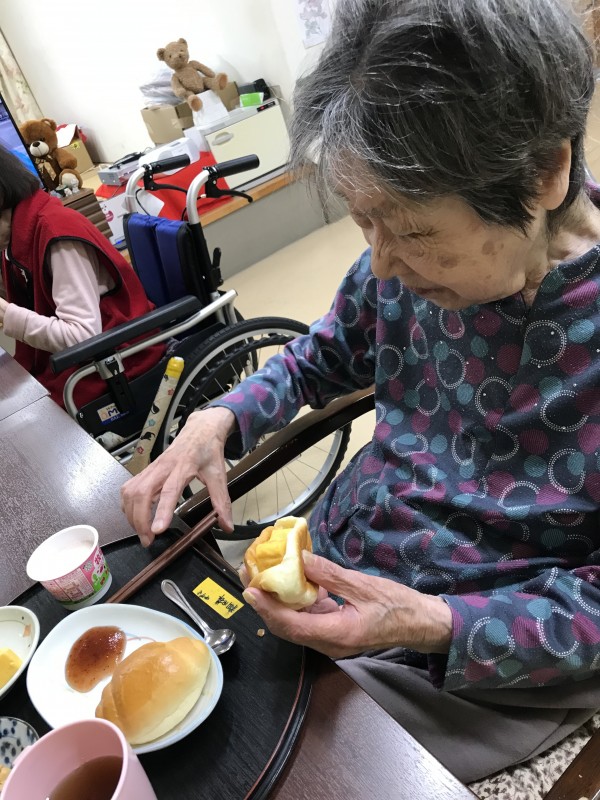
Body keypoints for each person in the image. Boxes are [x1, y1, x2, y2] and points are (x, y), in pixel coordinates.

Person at [121, 0, 600, 784]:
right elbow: (321, 357)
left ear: (545, 172)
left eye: (412, 232)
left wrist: (427, 621)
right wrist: (221, 418)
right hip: (344, 558)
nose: (380, 265)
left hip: (475, 653)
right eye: (362, 222)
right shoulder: (403, 267)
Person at [0, 146, 164, 408]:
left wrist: (6, 314)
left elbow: (83, 337)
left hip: (117, 361)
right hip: (88, 359)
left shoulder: (56, 234)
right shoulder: (18, 236)